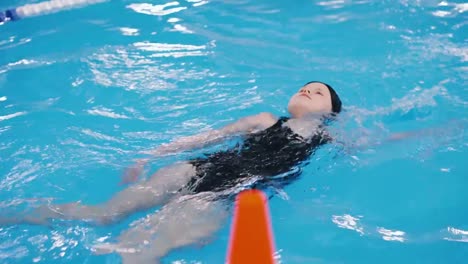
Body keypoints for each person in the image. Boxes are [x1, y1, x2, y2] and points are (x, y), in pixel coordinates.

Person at [6, 81, 342, 263]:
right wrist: (147, 156)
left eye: (318, 92)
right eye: (304, 87)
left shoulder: (329, 138)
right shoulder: (265, 119)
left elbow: (379, 140)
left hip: (221, 195)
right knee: (103, 215)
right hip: (192, 170)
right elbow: (206, 137)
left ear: (330, 113)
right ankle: (17, 213)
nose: (307, 91)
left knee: (141, 249)